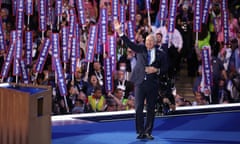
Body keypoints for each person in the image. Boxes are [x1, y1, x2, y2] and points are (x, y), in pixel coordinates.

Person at [114, 20, 168, 140]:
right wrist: (120, 31)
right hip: (140, 83)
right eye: (147, 40)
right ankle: (140, 131)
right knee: (138, 108)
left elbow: (165, 68)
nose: (148, 42)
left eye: (151, 41)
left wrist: (156, 70)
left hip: (153, 84)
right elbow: (129, 43)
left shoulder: (161, 54)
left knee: (150, 108)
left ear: (155, 42)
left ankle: (148, 131)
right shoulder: (140, 49)